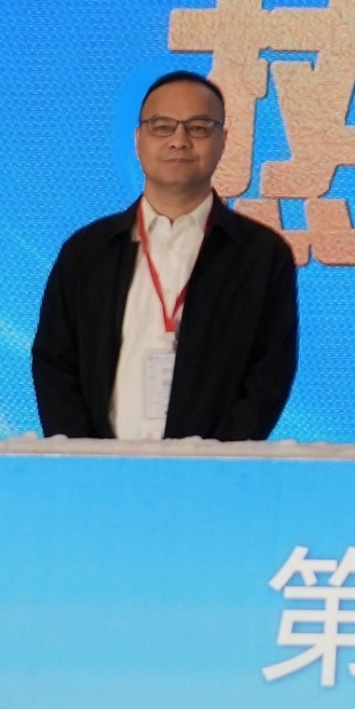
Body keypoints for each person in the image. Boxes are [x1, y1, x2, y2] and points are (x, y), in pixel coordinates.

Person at [30, 70, 301, 440]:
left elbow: (269, 375)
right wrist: (83, 457)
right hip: (97, 466)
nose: (179, 141)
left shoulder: (261, 256)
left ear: (223, 140)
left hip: (212, 469)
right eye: (162, 127)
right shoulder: (87, 252)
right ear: (138, 139)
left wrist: (215, 460)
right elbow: (54, 364)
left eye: (199, 128)